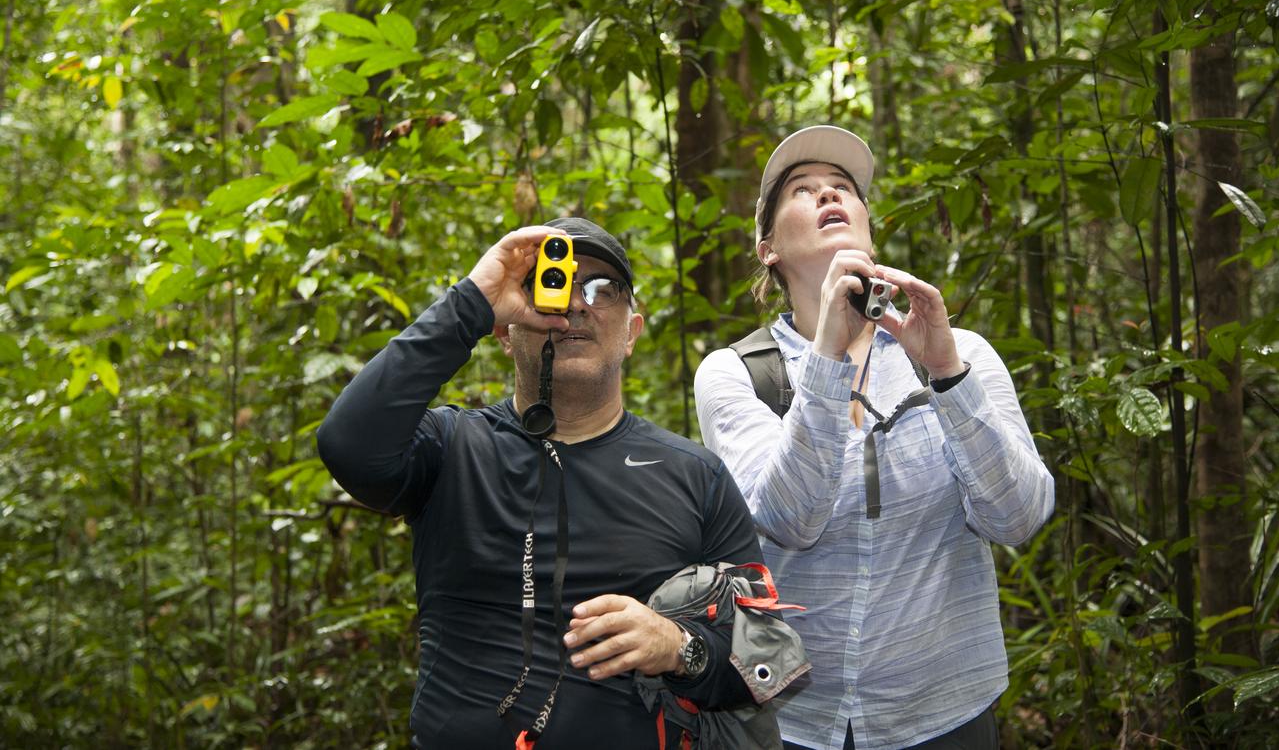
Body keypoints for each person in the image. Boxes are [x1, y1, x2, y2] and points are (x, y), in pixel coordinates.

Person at [317, 217, 774, 749]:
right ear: (506, 333)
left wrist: (679, 646)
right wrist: (471, 303)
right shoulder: (451, 447)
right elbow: (348, 445)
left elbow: (760, 659)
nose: (577, 304)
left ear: (632, 333)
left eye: (603, 288)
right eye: (554, 285)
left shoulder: (694, 475)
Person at [694, 125, 1056, 750]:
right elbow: (791, 518)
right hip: (797, 720)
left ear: (866, 221)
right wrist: (828, 357)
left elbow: (1018, 517)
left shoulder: (958, 351)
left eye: (843, 189)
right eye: (803, 191)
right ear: (767, 248)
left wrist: (947, 375)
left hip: (948, 709)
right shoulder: (736, 373)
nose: (829, 195)